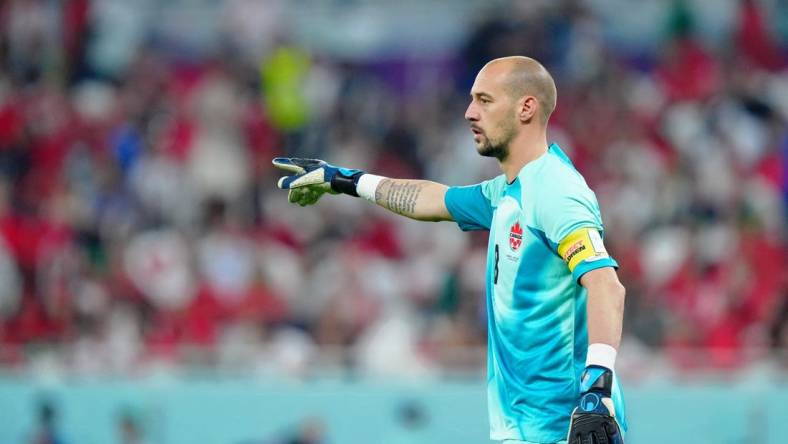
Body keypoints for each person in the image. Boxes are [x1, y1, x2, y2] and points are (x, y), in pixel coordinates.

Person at [273, 56, 627, 444]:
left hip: (564, 428)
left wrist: (596, 393)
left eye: (485, 101)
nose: (469, 112)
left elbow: (606, 286)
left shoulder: (555, 192)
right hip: (527, 429)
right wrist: (343, 179)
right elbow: (431, 199)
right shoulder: (507, 194)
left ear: (526, 107)